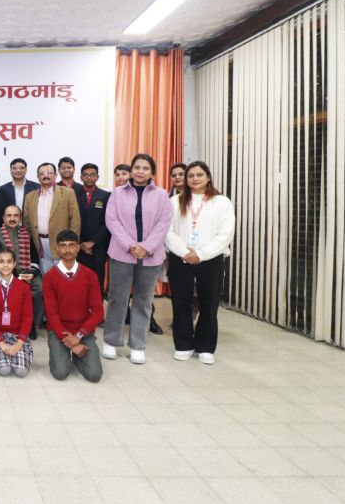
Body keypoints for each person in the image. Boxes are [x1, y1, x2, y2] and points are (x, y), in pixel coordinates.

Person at [103, 153, 172, 365]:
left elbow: (164, 223)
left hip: (150, 257)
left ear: (152, 172)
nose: (140, 171)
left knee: (144, 301)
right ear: (131, 170)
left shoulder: (161, 195)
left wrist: (146, 247)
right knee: (118, 299)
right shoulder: (117, 193)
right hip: (122, 253)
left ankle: (138, 345)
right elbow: (112, 220)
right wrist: (130, 245)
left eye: (145, 168)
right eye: (137, 167)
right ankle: (112, 341)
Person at [165, 161, 235, 365]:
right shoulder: (175, 201)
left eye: (199, 175)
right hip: (181, 258)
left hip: (211, 259)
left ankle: (205, 347)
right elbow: (168, 231)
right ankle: (184, 345)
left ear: (208, 177)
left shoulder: (222, 202)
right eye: (190, 176)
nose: (194, 179)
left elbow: (225, 233)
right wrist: (186, 252)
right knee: (181, 302)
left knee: (209, 303)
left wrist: (202, 254)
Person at [44, 230, 104, 382]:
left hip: (83, 330)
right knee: (60, 373)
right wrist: (71, 342)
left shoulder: (90, 275)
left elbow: (98, 312)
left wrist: (79, 336)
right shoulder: (49, 277)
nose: (68, 249)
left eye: (71, 245)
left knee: (95, 375)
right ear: (57, 249)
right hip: (59, 331)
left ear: (78, 247)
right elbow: (51, 314)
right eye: (63, 246)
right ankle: (69, 351)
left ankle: (78, 357)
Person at [0, 205, 44, 339]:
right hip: (7, 274)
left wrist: (32, 273)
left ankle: (33, 323)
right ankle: (12, 325)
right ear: (4, 218)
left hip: (28, 273)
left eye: (16, 216)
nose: (12, 219)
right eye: (9, 216)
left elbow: (34, 256)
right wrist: (15, 275)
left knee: (41, 289)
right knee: (16, 292)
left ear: (20, 218)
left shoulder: (27, 233)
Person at [22, 162, 81, 274]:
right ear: (38, 176)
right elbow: (26, 221)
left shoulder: (67, 193)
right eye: (42, 173)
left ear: (55, 175)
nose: (46, 175)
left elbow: (75, 220)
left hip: (62, 243)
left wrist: (72, 243)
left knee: (64, 277)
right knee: (47, 277)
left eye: (49, 172)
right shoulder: (30, 196)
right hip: (40, 244)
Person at [0, 248, 34, 377]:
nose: (5, 265)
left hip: (17, 334)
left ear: (14, 264)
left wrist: (19, 343)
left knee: (21, 372)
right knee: (4, 370)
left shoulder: (24, 288)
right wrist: (0, 342)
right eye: (1, 261)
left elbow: (28, 317)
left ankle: (17, 353)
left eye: (9, 261)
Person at [74, 163, 110, 300]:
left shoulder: (106, 196)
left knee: (97, 280)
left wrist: (93, 242)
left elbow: (108, 222)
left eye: (92, 174)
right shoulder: (73, 195)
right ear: (81, 177)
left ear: (97, 177)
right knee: (79, 281)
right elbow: (71, 220)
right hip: (79, 246)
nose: (89, 178)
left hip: (98, 247)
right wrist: (81, 243)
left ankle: (98, 313)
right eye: (86, 175)